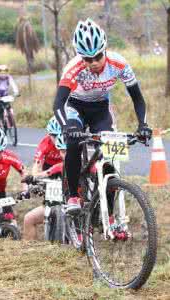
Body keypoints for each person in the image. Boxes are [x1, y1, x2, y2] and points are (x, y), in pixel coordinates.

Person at [53, 18, 152, 215]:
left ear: (104, 49)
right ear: (80, 57)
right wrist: (67, 128)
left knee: (110, 156)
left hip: (100, 109)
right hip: (76, 107)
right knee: (73, 144)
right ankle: (73, 195)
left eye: (98, 56)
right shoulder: (73, 69)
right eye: (87, 59)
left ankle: (107, 210)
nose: (94, 63)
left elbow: (138, 99)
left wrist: (143, 125)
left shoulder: (119, 63)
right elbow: (58, 104)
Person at [23, 117, 66, 240]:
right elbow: (36, 166)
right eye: (54, 135)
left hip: (68, 173)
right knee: (29, 219)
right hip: (49, 174)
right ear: (49, 134)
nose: (57, 139)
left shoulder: (71, 143)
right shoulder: (45, 144)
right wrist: (35, 179)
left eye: (61, 135)